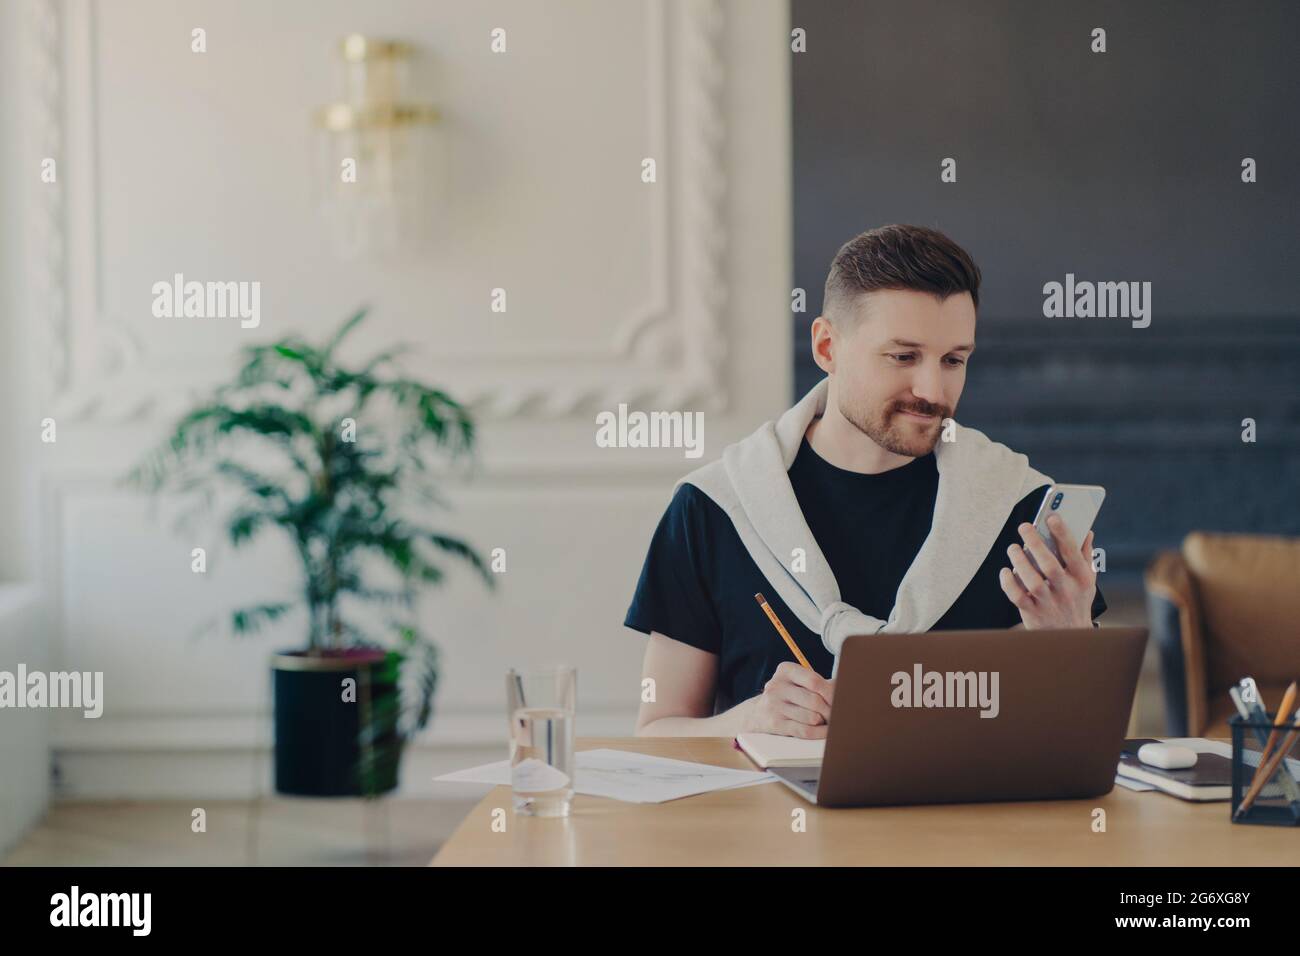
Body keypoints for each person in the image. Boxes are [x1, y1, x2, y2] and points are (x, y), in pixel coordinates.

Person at [625, 224, 1106, 737]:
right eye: (903, 356)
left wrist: (1071, 644)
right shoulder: (712, 509)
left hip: (963, 818)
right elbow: (658, 733)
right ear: (827, 346)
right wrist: (750, 720)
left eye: (953, 360)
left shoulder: (1022, 511)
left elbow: (1081, 738)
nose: (932, 389)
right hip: (770, 818)